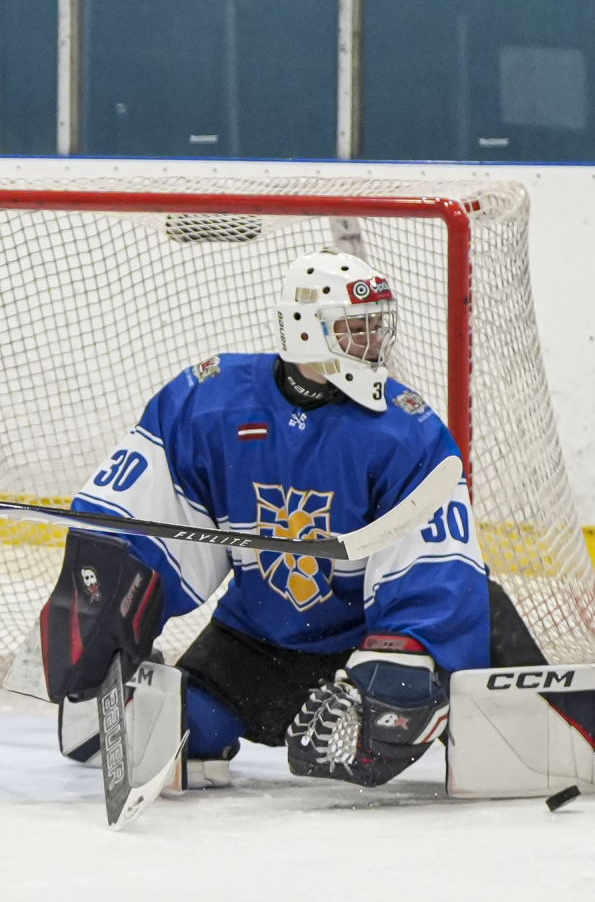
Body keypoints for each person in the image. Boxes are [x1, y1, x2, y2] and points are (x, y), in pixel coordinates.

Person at [48, 248, 494, 789]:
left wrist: (404, 662)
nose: (373, 342)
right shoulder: (210, 402)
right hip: (251, 641)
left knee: (419, 688)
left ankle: (516, 705)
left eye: (376, 327)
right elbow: (134, 514)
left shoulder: (405, 430)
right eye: (355, 328)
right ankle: (119, 702)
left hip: (359, 646)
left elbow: (437, 564)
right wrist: (99, 593)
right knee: (159, 731)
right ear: (306, 330)